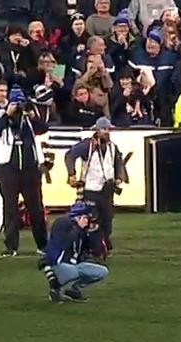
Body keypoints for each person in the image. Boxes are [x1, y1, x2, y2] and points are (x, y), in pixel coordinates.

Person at [0, 80, 49, 257]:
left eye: (5, 91)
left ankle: (43, 245)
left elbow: (43, 128)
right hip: (7, 167)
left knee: (36, 208)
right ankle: (11, 246)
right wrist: (7, 116)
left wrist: (31, 116)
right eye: (1, 91)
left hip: (29, 167)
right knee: (9, 207)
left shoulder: (24, 111)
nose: (3, 94)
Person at [65, 117, 128, 251]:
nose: (107, 132)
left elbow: (118, 161)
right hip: (91, 189)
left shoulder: (112, 146)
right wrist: (72, 173)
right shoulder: (88, 145)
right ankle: (92, 246)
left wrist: (119, 177)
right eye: (104, 129)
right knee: (92, 220)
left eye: (108, 129)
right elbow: (70, 155)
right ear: (97, 130)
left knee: (107, 219)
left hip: (107, 188)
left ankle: (103, 243)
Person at [40, 201, 108, 303]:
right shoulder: (63, 223)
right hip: (60, 263)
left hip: (75, 263)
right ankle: (55, 286)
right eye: (85, 217)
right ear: (78, 217)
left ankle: (73, 289)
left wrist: (94, 233)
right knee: (73, 272)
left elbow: (93, 249)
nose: (88, 220)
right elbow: (62, 243)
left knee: (102, 272)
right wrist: (78, 229)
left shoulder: (82, 230)